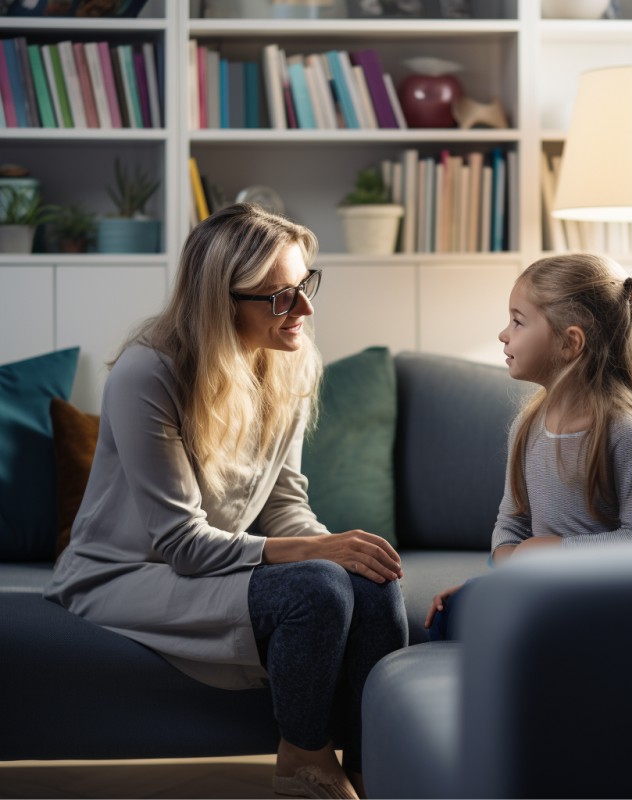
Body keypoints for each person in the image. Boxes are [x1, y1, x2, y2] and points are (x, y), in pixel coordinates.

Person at [45, 203, 408, 800]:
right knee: (316, 587)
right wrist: (317, 557)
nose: (304, 310)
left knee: (371, 581)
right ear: (220, 302)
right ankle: (302, 757)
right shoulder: (148, 375)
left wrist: (334, 553)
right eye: (279, 296)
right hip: (129, 574)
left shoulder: (288, 366)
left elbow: (284, 502)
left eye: (304, 286)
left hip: (219, 563)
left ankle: (377, 770)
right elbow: (183, 544)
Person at [424, 253, 632, 640]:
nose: (503, 334)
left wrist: (552, 551)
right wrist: (507, 564)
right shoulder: (527, 427)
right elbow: (511, 522)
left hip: (604, 596)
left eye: (518, 320)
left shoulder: (624, 431)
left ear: (570, 343)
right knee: (449, 614)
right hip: (540, 590)